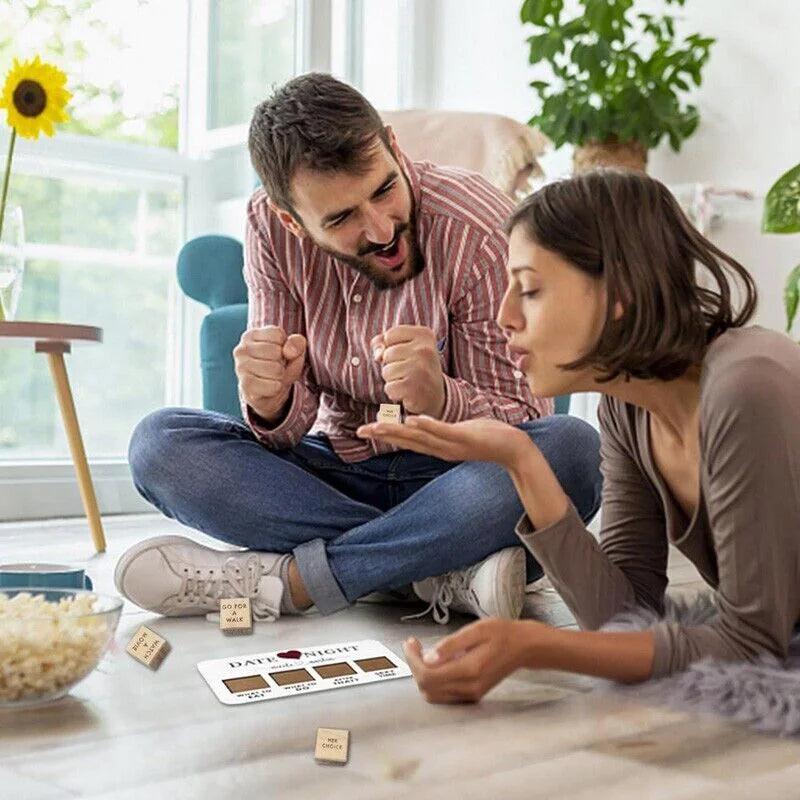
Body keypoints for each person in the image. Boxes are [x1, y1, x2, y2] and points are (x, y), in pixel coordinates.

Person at [114, 73, 602, 624]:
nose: (380, 229)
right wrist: (271, 401)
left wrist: (441, 398)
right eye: (342, 218)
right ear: (289, 220)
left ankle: (292, 581)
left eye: (384, 189)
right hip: (336, 471)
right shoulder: (266, 229)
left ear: (393, 147)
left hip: (460, 478)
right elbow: (287, 429)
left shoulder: (478, 223)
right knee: (160, 442)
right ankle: (437, 571)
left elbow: (525, 419)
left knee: (573, 449)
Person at [358, 168, 800, 701]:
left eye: (530, 289)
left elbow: (755, 646)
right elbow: (624, 617)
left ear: (620, 293)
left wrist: (535, 646)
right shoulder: (627, 407)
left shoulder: (746, 387)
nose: (503, 316)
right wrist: (521, 460)